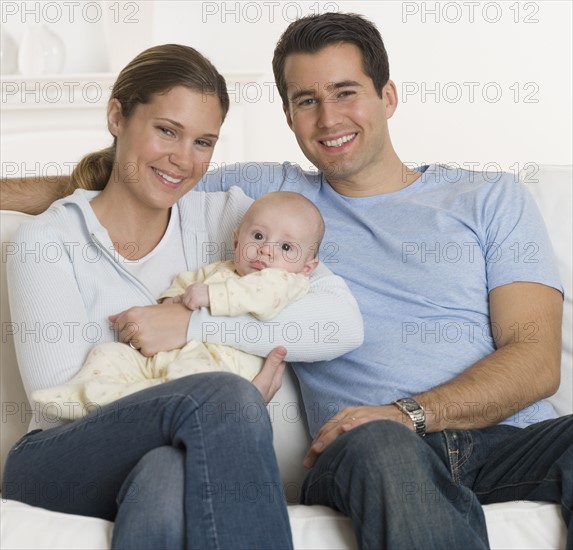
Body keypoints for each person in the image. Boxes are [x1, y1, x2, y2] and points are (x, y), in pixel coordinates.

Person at [3, 13, 571, 550]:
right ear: (288, 116)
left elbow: (537, 360)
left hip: (506, 440)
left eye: (345, 92)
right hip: (373, 447)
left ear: (388, 96)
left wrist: (410, 411)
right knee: (374, 446)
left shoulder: (490, 198)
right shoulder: (273, 201)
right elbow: (131, 178)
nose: (328, 119)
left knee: (169, 475)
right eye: (307, 101)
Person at [1, 43, 364, 550]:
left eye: (203, 142)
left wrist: (196, 328)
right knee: (226, 395)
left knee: (167, 475)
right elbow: (63, 400)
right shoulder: (48, 241)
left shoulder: (222, 220)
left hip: (166, 452)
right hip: (56, 463)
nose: (182, 159)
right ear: (116, 116)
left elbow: (341, 321)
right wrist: (218, 410)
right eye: (166, 130)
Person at [31, 191, 327, 419]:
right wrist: (168, 305)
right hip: (168, 356)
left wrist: (211, 297)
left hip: (215, 369)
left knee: (178, 384)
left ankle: (119, 405)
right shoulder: (217, 270)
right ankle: (81, 395)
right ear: (236, 241)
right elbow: (185, 285)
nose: (266, 248)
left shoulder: (286, 282)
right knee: (108, 354)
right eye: (258, 236)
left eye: (286, 247)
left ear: (307, 267)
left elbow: (262, 297)